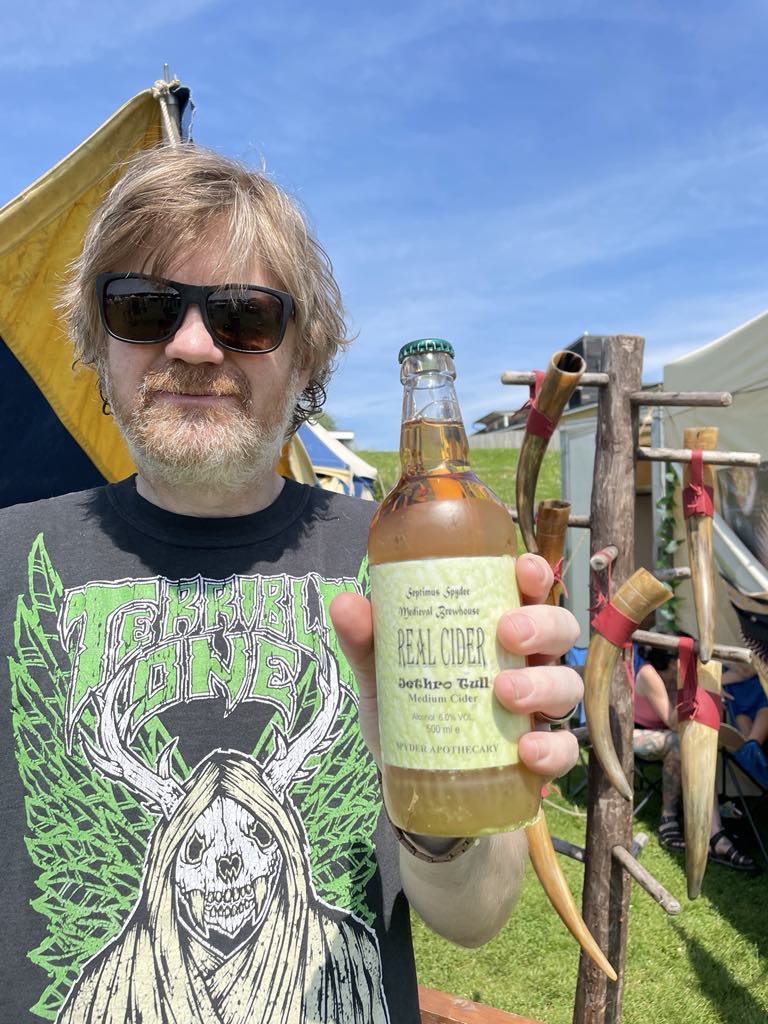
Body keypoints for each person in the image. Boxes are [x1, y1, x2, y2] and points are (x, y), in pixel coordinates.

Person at [0, 144, 583, 1024]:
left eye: (244, 316)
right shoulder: (12, 561)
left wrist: (446, 802)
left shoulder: (404, 562)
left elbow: (477, 917)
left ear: (306, 357)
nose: (193, 344)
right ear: (97, 340)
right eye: (144, 307)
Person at [633, 644, 759, 873]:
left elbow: (742, 673)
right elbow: (673, 721)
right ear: (673, 663)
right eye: (687, 661)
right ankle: (669, 819)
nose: (691, 665)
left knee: (697, 744)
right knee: (681, 743)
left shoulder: (677, 675)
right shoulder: (649, 674)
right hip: (632, 733)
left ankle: (714, 833)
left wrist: (713, 689)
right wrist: (695, 691)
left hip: (668, 734)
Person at [722, 660, 768, 788]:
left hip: (761, 694)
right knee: (749, 753)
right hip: (737, 701)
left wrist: (715, 681)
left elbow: (748, 670)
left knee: (750, 749)